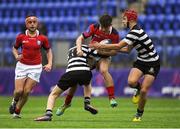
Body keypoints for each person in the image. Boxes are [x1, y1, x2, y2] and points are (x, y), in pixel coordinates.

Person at [90, 9, 160, 122]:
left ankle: (138, 114)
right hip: (141, 61)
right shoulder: (132, 32)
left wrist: (99, 46)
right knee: (131, 82)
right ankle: (137, 89)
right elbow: (127, 50)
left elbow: (118, 46)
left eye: (124, 19)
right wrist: (106, 48)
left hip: (153, 63)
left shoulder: (135, 32)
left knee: (144, 91)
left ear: (130, 20)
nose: (122, 21)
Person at [55, 14, 120, 115]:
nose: (102, 29)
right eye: (101, 26)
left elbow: (115, 52)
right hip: (91, 54)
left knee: (103, 70)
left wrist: (102, 50)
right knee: (78, 76)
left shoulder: (115, 33)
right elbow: (79, 38)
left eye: (105, 27)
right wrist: (79, 49)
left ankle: (111, 98)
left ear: (110, 25)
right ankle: (66, 103)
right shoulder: (94, 27)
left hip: (104, 54)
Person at [34, 44, 115, 121]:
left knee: (53, 94)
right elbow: (100, 55)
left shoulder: (69, 51)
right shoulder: (87, 47)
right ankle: (87, 102)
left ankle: (48, 114)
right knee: (87, 83)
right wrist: (111, 51)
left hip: (70, 72)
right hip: (85, 72)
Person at [9, 15, 53, 118]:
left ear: (37, 24)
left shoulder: (42, 38)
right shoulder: (21, 37)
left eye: (34, 22)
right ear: (26, 24)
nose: (32, 24)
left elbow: (48, 50)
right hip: (22, 66)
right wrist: (16, 55)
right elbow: (14, 48)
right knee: (19, 91)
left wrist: (50, 63)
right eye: (30, 22)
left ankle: (17, 111)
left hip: (36, 67)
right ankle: (14, 102)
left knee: (27, 91)